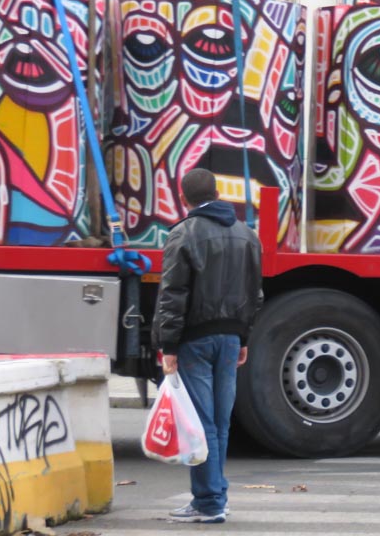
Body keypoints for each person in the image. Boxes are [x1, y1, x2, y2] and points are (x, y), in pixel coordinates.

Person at [151, 168, 263, 524]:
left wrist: (168, 345)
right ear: (217, 193)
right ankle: (215, 497)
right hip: (230, 338)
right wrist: (243, 337)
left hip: (195, 340)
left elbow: (173, 294)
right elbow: (255, 293)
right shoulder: (247, 235)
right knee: (219, 423)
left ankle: (209, 502)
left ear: (184, 198)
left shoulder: (183, 233)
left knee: (201, 423)